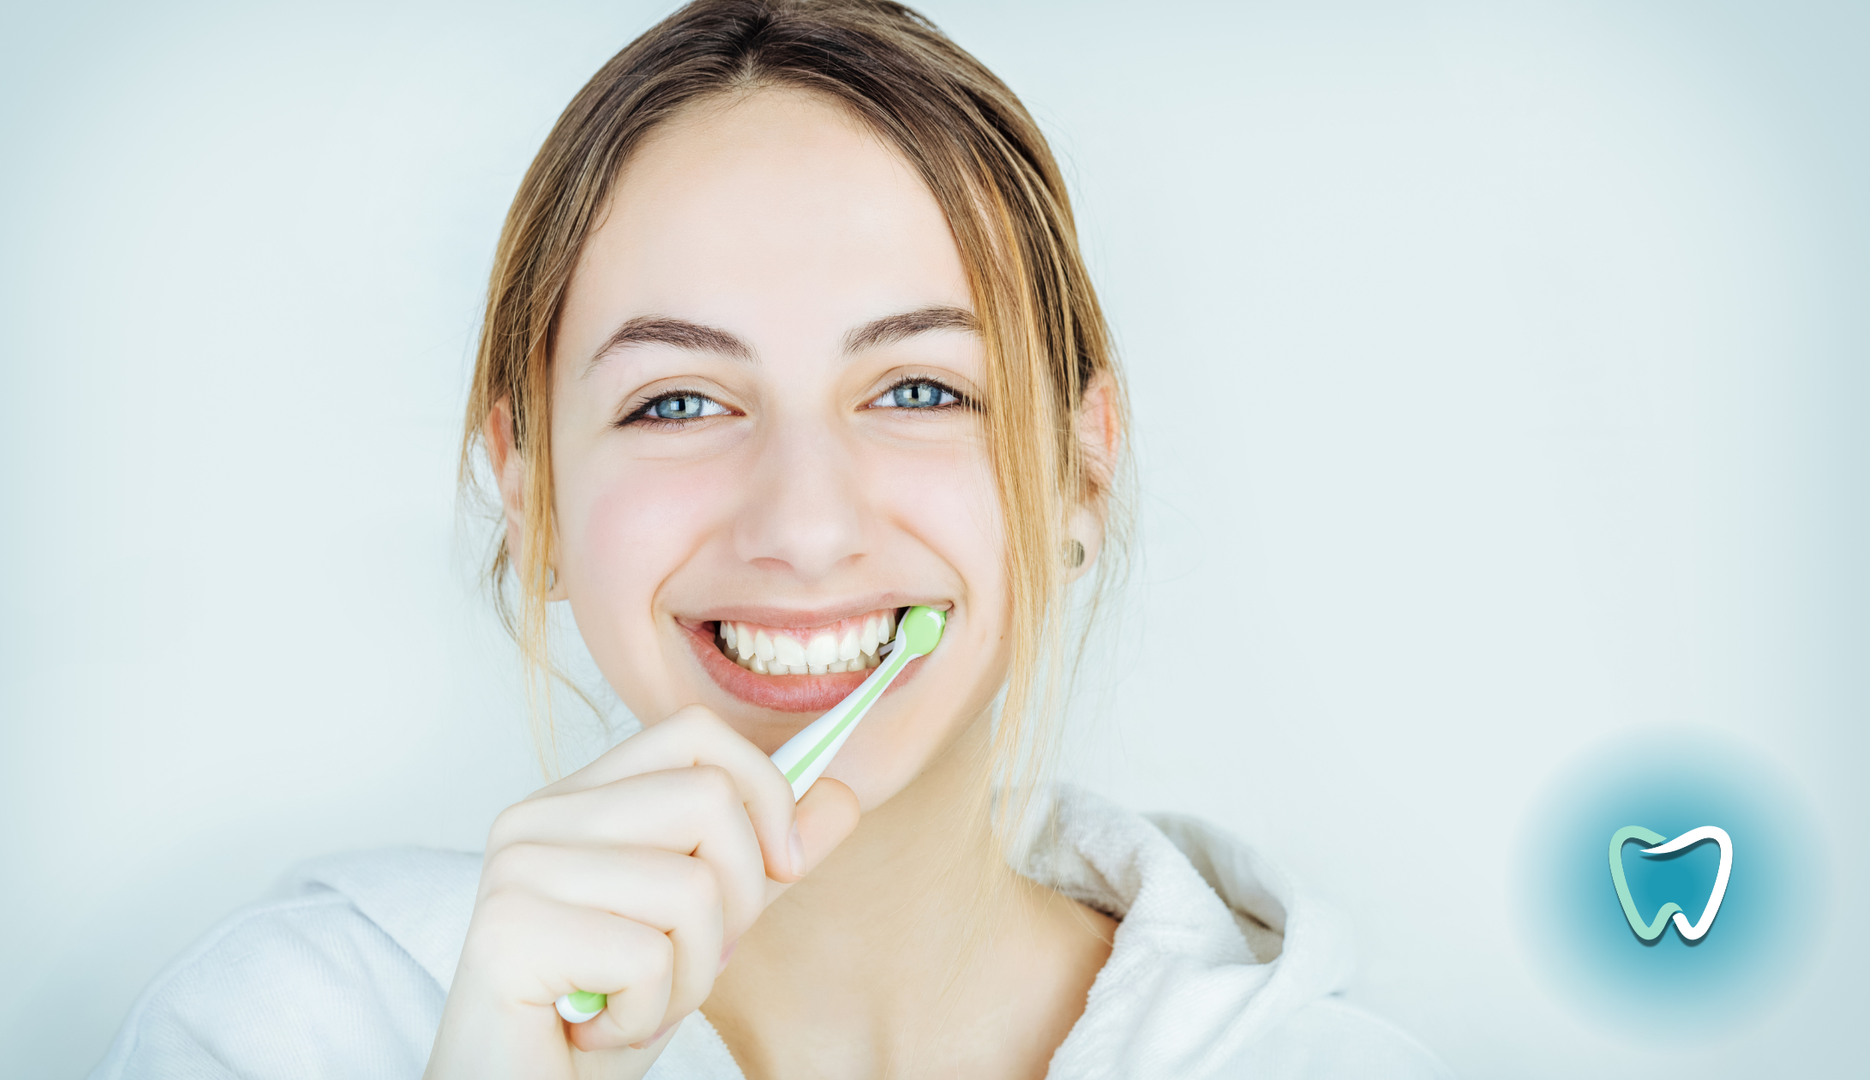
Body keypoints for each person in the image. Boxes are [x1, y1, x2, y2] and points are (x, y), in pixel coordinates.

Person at [91, 2, 1452, 1076]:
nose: (804, 526)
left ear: (1080, 472)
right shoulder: (276, 1037)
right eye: (679, 401)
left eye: (921, 389)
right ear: (530, 493)